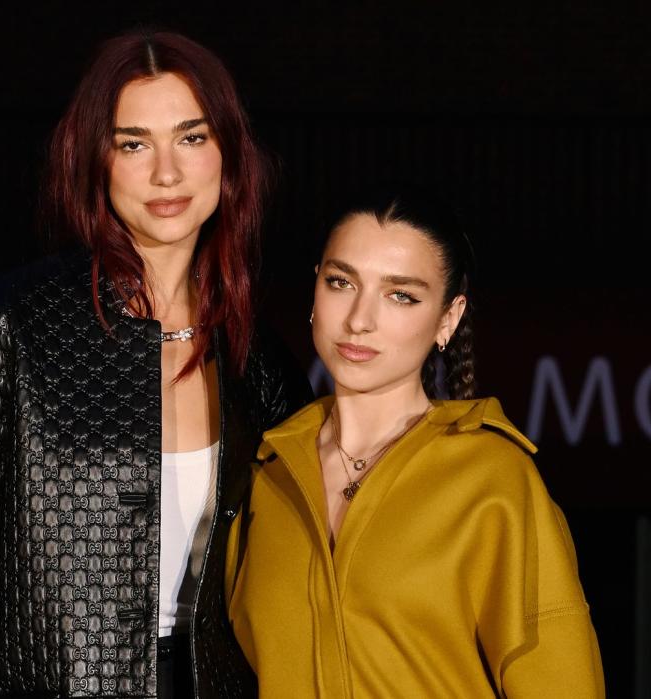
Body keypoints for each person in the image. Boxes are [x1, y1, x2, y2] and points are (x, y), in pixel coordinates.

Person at [0, 30, 311, 698]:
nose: (167, 172)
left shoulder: (258, 361)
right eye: (133, 143)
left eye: (191, 137)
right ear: (95, 161)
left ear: (229, 155)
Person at [225, 187, 605, 697]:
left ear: (448, 319)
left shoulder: (491, 477)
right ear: (314, 290)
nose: (360, 319)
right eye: (340, 282)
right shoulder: (266, 474)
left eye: (400, 295)